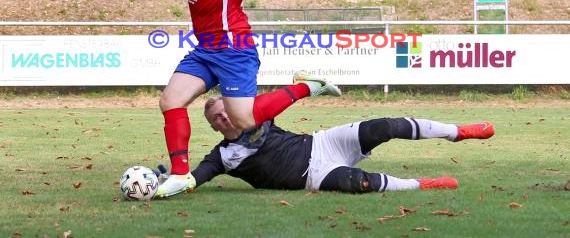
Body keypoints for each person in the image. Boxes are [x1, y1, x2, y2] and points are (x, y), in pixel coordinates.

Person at [112, 0, 341, 198]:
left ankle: (307, 86)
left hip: (234, 49)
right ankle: (181, 174)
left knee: (244, 121)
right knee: (170, 101)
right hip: (206, 48)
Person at [186, 96, 495, 193]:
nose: (224, 115)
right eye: (217, 116)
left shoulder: (256, 115)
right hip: (313, 176)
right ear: (213, 126)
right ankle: (423, 185)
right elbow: (192, 178)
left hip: (324, 142)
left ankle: (457, 131)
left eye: (225, 109)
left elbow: (282, 96)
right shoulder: (222, 157)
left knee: (385, 126)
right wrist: (159, 185)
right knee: (359, 183)